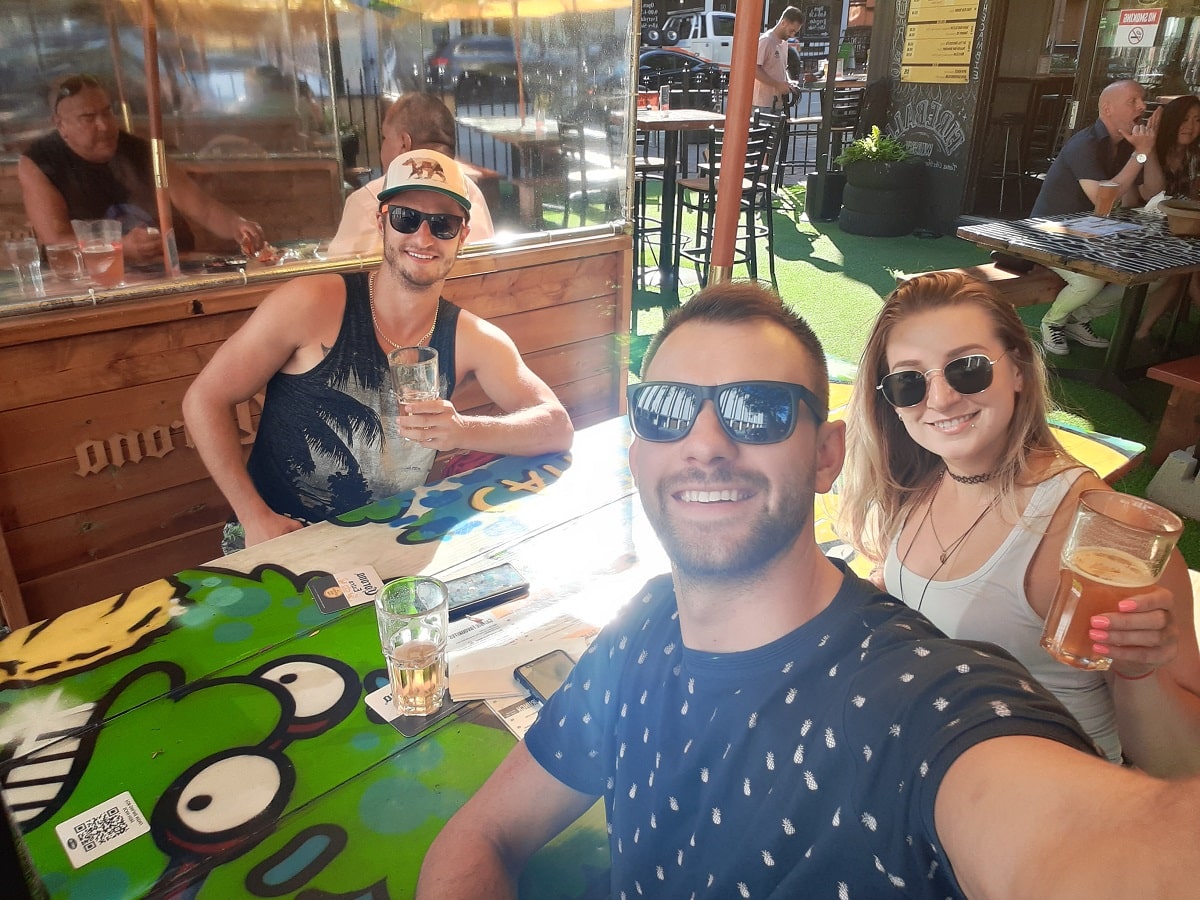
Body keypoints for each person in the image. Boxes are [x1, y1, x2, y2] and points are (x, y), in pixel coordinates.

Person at [416, 282, 1200, 899]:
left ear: (825, 454)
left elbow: (1099, 841)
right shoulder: (641, 630)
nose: (707, 444)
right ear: (635, 450)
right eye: (667, 410)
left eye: (758, 411)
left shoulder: (922, 706)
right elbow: (481, 833)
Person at [838, 271, 1200, 775]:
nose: (939, 399)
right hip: (936, 775)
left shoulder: (1098, 536)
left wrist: (1141, 674)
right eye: (909, 380)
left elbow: (1184, 766)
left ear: (1020, 370)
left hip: (1049, 808)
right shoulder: (922, 477)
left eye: (967, 368)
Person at [182, 148, 571, 549]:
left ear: (462, 236)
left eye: (443, 224)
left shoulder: (471, 337)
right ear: (382, 222)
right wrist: (253, 516)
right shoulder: (311, 303)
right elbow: (204, 399)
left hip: (388, 543)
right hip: (278, 537)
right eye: (407, 218)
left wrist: (462, 430)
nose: (423, 236)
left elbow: (556, 427)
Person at [18, 74, 265, 265]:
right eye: (88, 118)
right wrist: (122, 248)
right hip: (97, 284)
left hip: (174, 269)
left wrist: (237, 225)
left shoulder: (144, 152)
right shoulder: (40, 164)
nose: (104, 125)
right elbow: (56, 242)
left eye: (107, 112)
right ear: (60, 125)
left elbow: (204, 209)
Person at [1030, 79, 1160, 356]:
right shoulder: (1085, 143)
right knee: (1092, 280)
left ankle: (1078, 319)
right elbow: (1104, 199)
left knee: (1150, 275)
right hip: (1048, 232)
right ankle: (1052, 322)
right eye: (1133, 101)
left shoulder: (1126, 145)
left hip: (1092, 233)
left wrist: (1150, 150)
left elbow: (1148, 192)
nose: (1143, 106)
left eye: (1143, 100)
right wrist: (1141, 153)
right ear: (1107, 108)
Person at [326, 92, 494, 256]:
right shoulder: (472, 194)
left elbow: (338, 273)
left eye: (385, 138)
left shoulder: (367, 200)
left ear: (404, 143)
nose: (424, 240)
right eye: (406, 219)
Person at [1135, 94, 1200, 340]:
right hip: (1143, 226)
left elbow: (1194, 199)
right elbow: (1149, 193)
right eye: (1184, 119)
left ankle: (1143, 330)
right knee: (1185, 269)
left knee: (1186, 269)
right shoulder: (1149, 151)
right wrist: (1149, 149)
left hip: (1178, 229)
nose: (1191, 126)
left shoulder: (1194, 156)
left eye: (1197, 120)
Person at [752, 7, 803, 112]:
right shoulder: (766, 41)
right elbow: (754, 69)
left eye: (796, 32)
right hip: (763, 104)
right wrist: (777, 84)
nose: (793, 35)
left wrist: (788, 82)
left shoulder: (784, 43)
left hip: (778, 103)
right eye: (792, 30)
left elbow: (782, 68)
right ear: (783, 22)